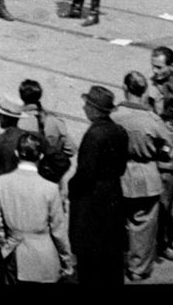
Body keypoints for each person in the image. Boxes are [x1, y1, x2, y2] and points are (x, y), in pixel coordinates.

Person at [112, 71, 173, 282]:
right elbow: (169, 147)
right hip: (146, 176)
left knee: (118, 219)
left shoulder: (114, 115)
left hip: (119, 175)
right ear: (144, 91)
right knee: (144, 224)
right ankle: (138, 267)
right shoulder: (152, 119)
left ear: (124, 88)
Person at [69, 86, 130, 287]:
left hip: (92, 202)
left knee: (91, 259)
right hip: (113, 196)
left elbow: (85, 174)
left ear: (95, 109)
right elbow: (121, 166)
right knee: (112, 257)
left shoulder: (94, 135)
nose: (84, 108)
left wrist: (71, 188)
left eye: (87, 104)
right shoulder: (119, 131)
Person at [0, 136, 68, 283]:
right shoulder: (50, 188)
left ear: (17, 154)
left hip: (14, 250)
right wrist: (66, 259)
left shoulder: (0, 183)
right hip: (44, 254)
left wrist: (4, 245)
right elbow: (59, 230)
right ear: (41, 156)